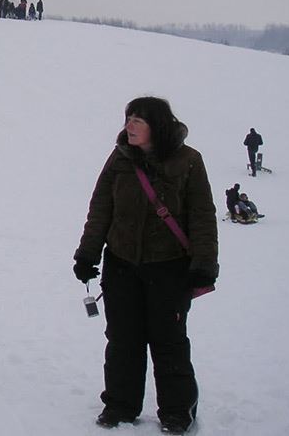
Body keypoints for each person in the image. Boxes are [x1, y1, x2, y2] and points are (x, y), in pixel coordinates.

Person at [74, 97, 218, 434]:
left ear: (159, 124)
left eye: (138, 120)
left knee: (168, 341)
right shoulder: (120, 159)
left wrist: (204, 264)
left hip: (169, 267)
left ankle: (177, 411)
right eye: (128, 119)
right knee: (123, 339)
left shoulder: (189, 161)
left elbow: (202, 216)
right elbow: (101, 209)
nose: (129, 126)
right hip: (121, 264)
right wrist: (87, 254)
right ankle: (120, 405)